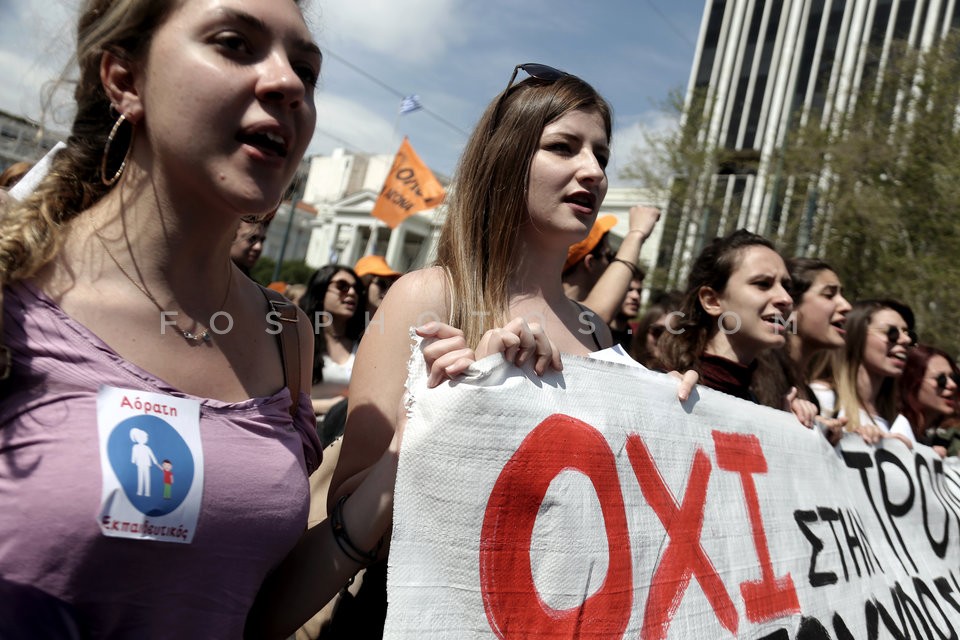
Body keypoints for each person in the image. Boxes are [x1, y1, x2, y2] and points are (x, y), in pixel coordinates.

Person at [0, 1, 399, 637]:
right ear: (125, 80)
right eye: (235, 44)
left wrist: (405, 455)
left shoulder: (284, 334)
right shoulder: (13, 290)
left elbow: (248, 606)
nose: (289, 84)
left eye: (306, 69)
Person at [312, 62, 696, 639]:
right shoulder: (427, 297)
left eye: (601, 156)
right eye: (564, 147)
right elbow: (348, 504)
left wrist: (679, 420)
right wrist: (454, 411)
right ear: (509, 160)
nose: (592, 171)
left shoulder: (597, 332)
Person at [659, 229, 816, 425]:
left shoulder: (766, 399)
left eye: (787, 286)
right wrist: (660, 393)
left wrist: (789, 428)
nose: (785, 299)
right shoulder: (666, 382)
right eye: (763, 284)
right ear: (712, 300)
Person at [751, 257, 852, 440]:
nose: (846, 306)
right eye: (829, 295)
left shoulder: (809, 396)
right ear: (792, 308)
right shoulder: (753, 373)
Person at [826, 299, 917, 444]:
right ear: (857, 336)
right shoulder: (824, 401)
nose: (905, 340)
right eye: (892, 333)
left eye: (909, 335)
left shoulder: (899, 423)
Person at [562, 204, 660, 325]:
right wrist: (637, 234)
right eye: (608, 256)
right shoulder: (562, 316)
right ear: (590, 263)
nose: (611, 264)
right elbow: (595, 316)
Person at [299, 264, 365, 432]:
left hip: (344, 440)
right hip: (300, 434)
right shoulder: (299, 338)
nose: (352, 293)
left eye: (356, 288)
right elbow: (280, 400)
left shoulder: (365, 342)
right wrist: (335, 406)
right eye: (342, 286)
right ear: (321, 292)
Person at [899, 344, 960, 455]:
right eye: (941, 380)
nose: (952, 385)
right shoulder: (896, 432)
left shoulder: (928, 439)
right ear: (912, 382)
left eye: (954, 378)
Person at [354, 254, 401, 319]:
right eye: (382, 284)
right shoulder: (343, 324)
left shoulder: (391, 322)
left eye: (391, 286)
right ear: (363, 285)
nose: (387, 291)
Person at [608, 274, 644, 350]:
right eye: (629, 289)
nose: (636, 296)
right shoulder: (593, 333)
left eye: (639, 291)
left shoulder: (632, 338)